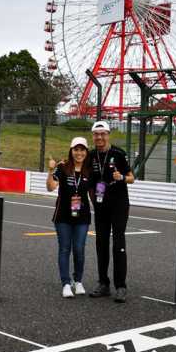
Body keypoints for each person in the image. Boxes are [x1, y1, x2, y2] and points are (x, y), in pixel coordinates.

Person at [87, 120, 135, 303]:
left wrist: (121, 177)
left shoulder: (118, 154)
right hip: (100, 206)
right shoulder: (91, 156)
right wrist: (93, 201)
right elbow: (89, 182)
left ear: (108, 135)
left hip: (119, 205)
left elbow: (132, 178)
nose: (99, 137)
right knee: (101, 244)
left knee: (118, 245)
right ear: (93, 136)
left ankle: (121, 286)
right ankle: (103, 284)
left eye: (103, 134)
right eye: (96, 134)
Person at [46, 137, 92, 299]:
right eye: (76, 149)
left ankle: (78, 281)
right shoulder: (63, 167)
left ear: (86, 152)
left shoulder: (90, 169)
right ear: (71, 151)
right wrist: (50, 170)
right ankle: (66, 283)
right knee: (65, 248)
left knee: (79, 249)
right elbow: (51, 187)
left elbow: (97, 191)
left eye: (82, 150)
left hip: (82, 216)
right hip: (63, 215)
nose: (79, 153)